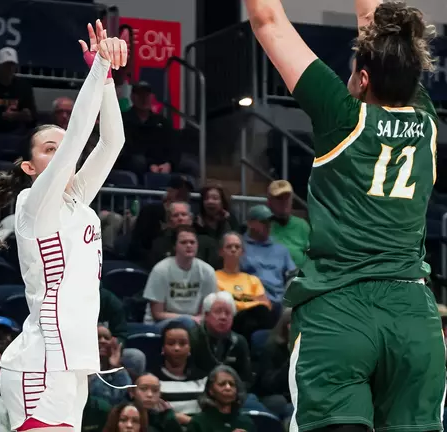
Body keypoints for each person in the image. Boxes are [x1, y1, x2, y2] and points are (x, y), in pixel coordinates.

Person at [246, 0, 443, 429]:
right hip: (413, 316)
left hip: (340, 312)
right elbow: (377, 19)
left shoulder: (342, 115)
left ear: (364, 77)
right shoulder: (426, 120)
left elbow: (267, 19)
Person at [0, 20, 127, 432]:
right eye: (51, 148)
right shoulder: (34, 203)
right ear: (30, 168)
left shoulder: (76, 201)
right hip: (40, 360)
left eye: (62, 146)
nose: (63, 151)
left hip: (74, 363)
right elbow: (81, 135)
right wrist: (99, 66)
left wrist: (106, 81)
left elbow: (112, 142)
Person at [142, 225, 217, 329]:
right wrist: (188, 319)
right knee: (187, 323)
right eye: (183, 242)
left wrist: (194, 320)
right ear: (175, 246)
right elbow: (157, 313)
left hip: (195, 323)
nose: (189, 245)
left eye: (192, 242)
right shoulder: (161, 270)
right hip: (160, 324)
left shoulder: (207, 271)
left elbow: (206, 311)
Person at [215, 232, 272, 342]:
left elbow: (265, 304)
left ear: (242, 252)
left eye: (237, 247)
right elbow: (223, 304)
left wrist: (236, 299)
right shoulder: (214, 277)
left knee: (261, 314)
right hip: (230, 319)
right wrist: (250, 300)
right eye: (229, 246)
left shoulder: (252, 280)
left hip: (253, 319)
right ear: (221, 252)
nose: (233, 249)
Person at [149, 322, 206, 423]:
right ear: (163, 348)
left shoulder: (203, 379)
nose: (177, 348)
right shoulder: (152, 380)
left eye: (182, 343)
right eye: (171, 343)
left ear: (189, 349)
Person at [186, 366, 254, 432]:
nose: (228, 388)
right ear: (211, 390)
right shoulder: (199, 422)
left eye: (232, 384)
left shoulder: (246, 422)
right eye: (222, 384)